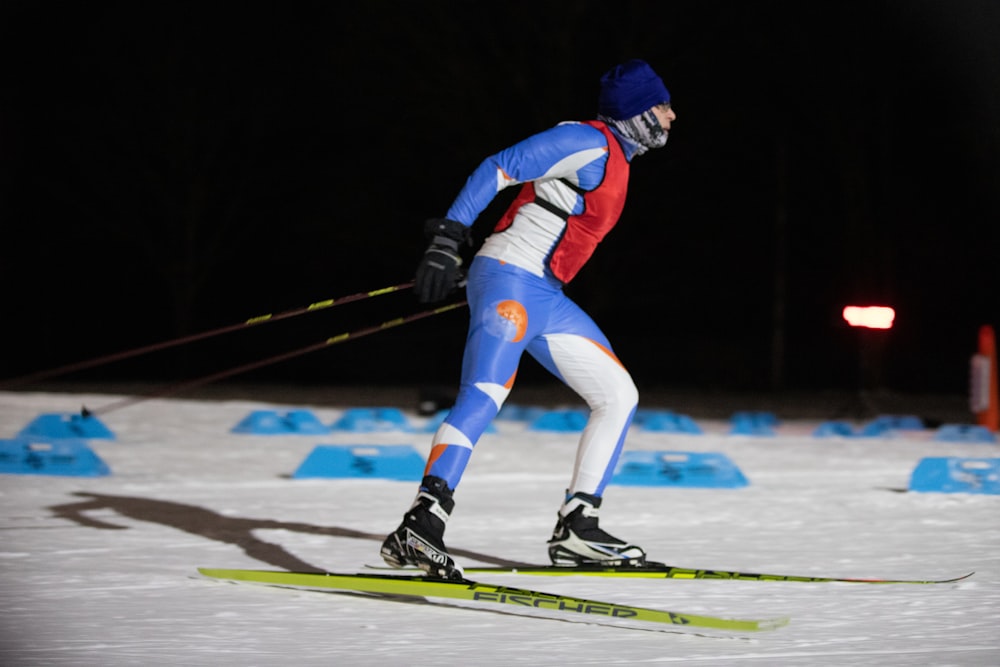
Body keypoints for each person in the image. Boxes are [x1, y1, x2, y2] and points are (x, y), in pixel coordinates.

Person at [381, 59, 677, 579]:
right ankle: (422, 522)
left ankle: (577, 529)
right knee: (484, 393)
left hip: (544, 295)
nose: (672, 116)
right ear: (637, 112)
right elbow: (498, 166)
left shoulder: (618, 158)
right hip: (511, 280)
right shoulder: (586, 140)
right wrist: (448, 240)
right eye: (662, 106)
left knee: (618, 394)